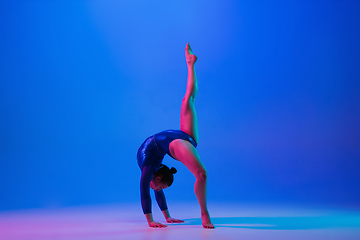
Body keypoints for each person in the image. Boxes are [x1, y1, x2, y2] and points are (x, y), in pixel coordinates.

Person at [137, 43, 214, 229]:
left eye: (161, 187)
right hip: (183, 137)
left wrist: (150, 221)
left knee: (201, 174)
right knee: (189, 99)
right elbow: (157, 192)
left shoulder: (147, 169)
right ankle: (191, 64)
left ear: (156, 179)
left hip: (178, 141)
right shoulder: (153, 173)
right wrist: (168, 217)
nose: (159, 191)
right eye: (162, 188)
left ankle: (204, 213)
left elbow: (145, 193)